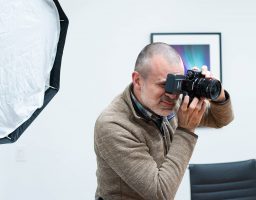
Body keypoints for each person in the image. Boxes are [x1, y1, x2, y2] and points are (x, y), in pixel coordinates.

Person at [94, 42, 234, 200]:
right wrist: (186, 130)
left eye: (177, 84)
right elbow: (160, 194)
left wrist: (218, 94)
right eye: (163, 85)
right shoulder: (114, 126)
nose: (172, 95)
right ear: (138, 80)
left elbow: (221, 119)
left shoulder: (168, 101)